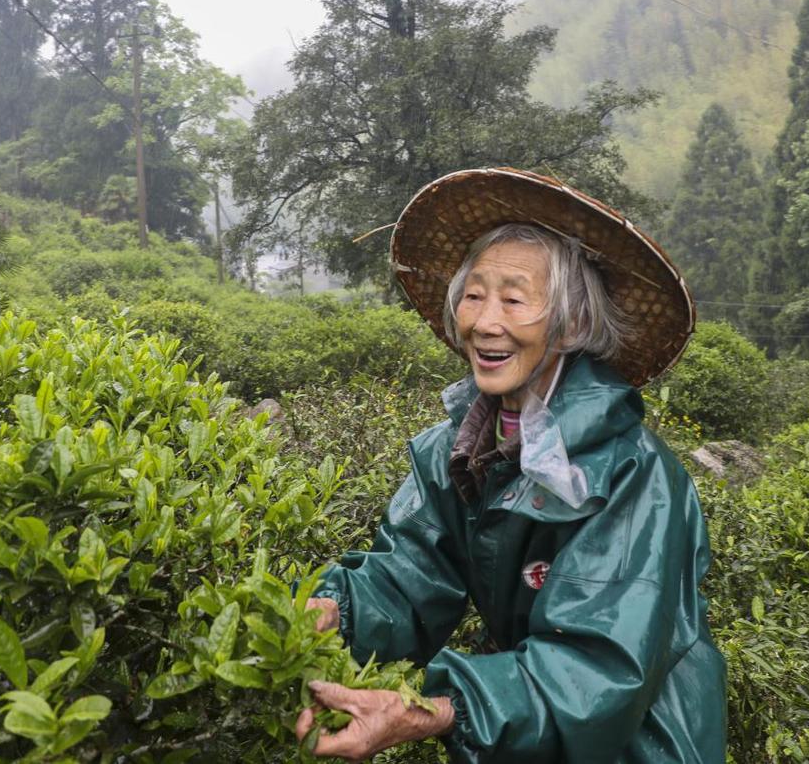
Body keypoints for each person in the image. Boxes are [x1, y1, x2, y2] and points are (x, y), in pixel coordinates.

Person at [294, 168, 727, 763]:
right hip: (538, 735)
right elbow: (410, 572)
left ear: (572, 323)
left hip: (642, 743)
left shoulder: (634, 476)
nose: (485, 322)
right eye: (474, 294)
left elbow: (597, 670)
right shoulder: (458, 451)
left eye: (515, 298)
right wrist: (326, 611)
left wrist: (439, 708)